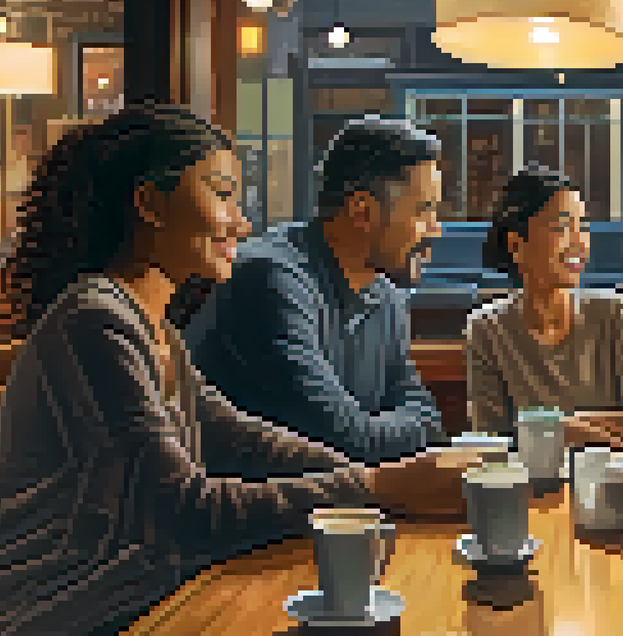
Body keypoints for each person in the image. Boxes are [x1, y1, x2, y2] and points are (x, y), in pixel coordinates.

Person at [0, 104, 479, 636]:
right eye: (222, 194)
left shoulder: (151, 329)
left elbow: (243, 439)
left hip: (86, 625)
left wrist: (377, 489)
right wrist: (377, 485)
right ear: (150, 204)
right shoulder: (94, 323)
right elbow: (181, 510)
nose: (242, 222)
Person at [185, 117, 445, 467]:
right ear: (362, 211)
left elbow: (426, 417)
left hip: (340, 496)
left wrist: (384, 430)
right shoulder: (270, 280)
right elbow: (343, 441)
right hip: (252, 499)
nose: (435, 229)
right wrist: (391, 431)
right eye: (423, 210)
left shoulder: (385, 296)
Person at [467, 166, 623, 445]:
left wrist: (563, 427)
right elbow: (491, 443)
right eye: (561, 227)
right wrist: (572, 430)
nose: (579, 242)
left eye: (582, 226)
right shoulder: (487, 329)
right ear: (516, 245)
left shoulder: (616, 314)